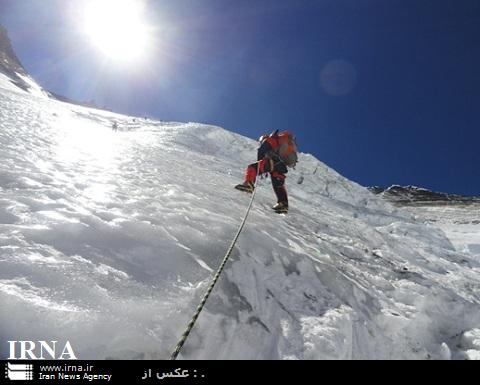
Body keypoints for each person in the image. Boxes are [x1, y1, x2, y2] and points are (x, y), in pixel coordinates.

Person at [235, 130, 298, 214]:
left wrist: (259, 163)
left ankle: (248, 184)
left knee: (252, 167)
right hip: (281, 166)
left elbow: (261, 150)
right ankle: (283, 204)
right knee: (278, 185)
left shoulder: (271, 139)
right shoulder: (284, 143)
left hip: (273, 161)